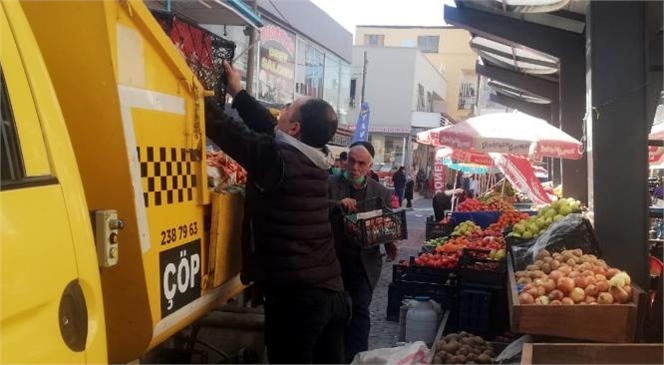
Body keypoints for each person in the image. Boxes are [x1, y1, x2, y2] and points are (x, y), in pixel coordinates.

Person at [206, 61, 350, 364]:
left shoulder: (277, 159)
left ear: (295, 128)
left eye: (287, 108)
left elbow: (225, 130)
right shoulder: (315, 159)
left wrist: (193, 90)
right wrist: (237, 91)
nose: (280, 112)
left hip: (299, 303)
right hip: (334, 295)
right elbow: (268, 127)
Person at [328, 141, 398, 363]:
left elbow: (387, 225)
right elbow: (315, 205)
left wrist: (389, 242)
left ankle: (356, 358)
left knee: (359, 312)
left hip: (364, 263)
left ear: (369, 167)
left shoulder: (382, 192)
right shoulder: (329, 184)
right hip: (332, 261)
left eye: (361, 163)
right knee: (334, 313)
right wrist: (337, 204)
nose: (354, 167)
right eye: (351, 160)